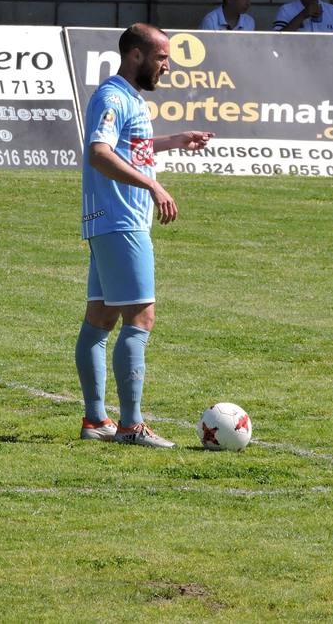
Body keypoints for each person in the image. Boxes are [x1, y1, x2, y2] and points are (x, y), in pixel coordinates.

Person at [76, 23, 214, 449]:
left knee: (100, 321)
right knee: (141, 317)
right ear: (136, 55)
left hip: (111, 221)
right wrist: (153, 186)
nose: (167, 67)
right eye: (161, 58)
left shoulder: (129, 98)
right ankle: (132, 425)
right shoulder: (113, 96)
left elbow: (128, 147)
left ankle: (96, 420)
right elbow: (99, 153)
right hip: (122, 222)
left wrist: (174, 140)